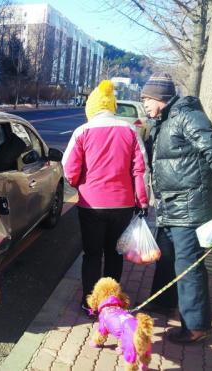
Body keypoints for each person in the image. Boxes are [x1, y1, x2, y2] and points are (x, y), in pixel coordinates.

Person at [141, 72, 212, 344]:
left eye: (147, 98)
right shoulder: (163, 121)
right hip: (171, 206)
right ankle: (162, 302)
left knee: (187, 266)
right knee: (167, 255)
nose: (144, 103)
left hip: (189, 207)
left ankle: (196, 326)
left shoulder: (186, 115)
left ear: (161, 97)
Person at [62, 80, 149, 316]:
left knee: (92, 254)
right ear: (112, 106)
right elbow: (140, 170)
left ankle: (90, 302)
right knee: (114, 253)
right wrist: (143, 201)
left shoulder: (82, 131)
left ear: (90, 107)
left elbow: (69, 170)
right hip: (123, 205)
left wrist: (81, 184)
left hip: (91, 205)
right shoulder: (130, 130)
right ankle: (111, 301)